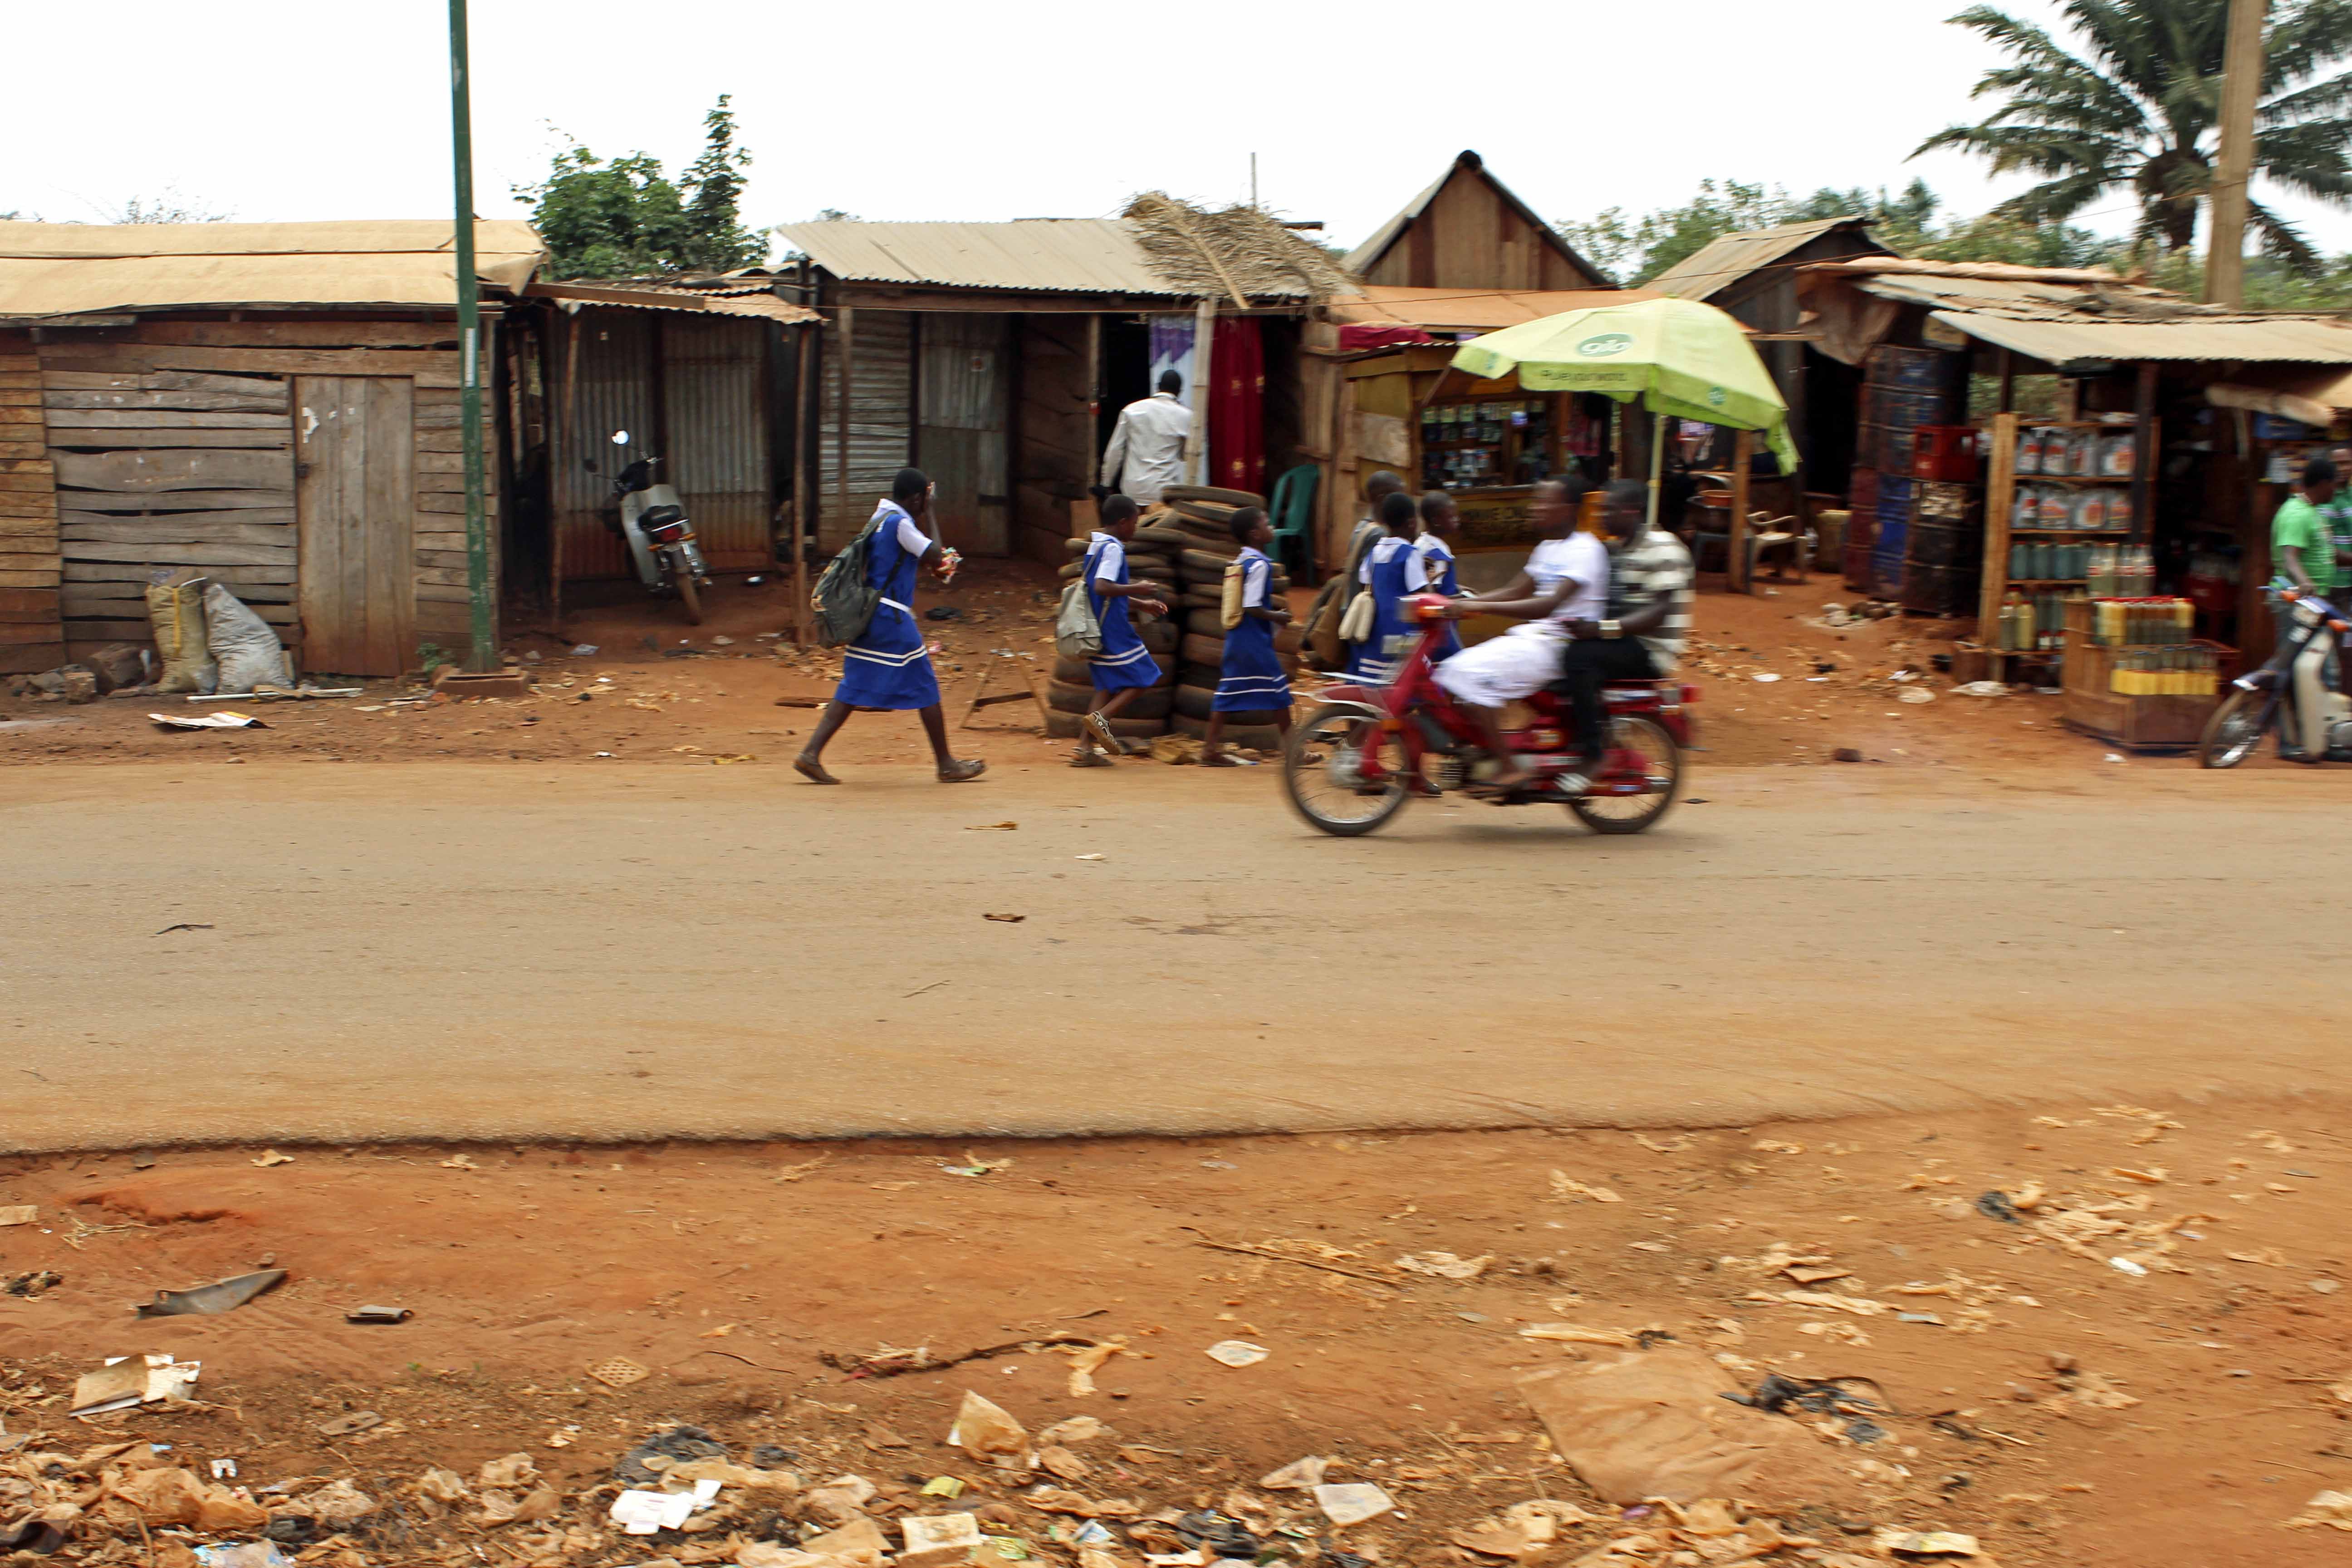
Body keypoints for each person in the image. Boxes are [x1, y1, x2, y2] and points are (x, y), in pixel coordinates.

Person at [795, 468, 986, 785]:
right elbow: (939, 558)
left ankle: (810, 754)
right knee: (926, 685)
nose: (926, 505)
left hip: (870, 615)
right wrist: (934, 512)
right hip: (892, 619)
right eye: (924, 500)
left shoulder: (881, 518)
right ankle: (947, 764)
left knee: (853, 687)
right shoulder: (901, 524)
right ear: (915, 499)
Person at [1431, 476, 1606, 793]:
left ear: (1567, 509)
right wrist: (1465, 602)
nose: (1536, 509)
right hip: (1536, 637)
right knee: (1453, 671)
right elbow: (1516, 589)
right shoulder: (1548, 548)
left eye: (1545, 503)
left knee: (1468, 675)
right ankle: (1483, 752)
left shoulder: (1586, 550)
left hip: (1560, 643)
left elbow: (1548, 604)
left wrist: (1484, 607)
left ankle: (1510, 768)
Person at [1550, 479, 1696, 793]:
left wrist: (1600, 630)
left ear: (1633, 511)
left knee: (1579, 657)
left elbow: (1658, 613)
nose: (1603, 517)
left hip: (1651, 648)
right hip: (1625, 641)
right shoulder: (1619, 547)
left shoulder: (1663, 548)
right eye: (1601, 510)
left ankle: (1594, 754)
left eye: (1610, 510)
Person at [1073, 493, 1171, 766]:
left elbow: (1104, 593)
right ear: (1123, 521)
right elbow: (1103, 587)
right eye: (1135, 523)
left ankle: (1084, 748)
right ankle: (1100, 720)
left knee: (1105, 687)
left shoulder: (1096, 545)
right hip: (1114, 630)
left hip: (1095, 626)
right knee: (1146, 676)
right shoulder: (1114, 548)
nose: (1136, 529)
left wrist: (1141, 603)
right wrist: (1138, 587)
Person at [1201, 507, 1293, 767]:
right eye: (1267, 524)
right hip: (1253, 641)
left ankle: (1209, 750)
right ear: (1255, 534)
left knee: (1228, 692)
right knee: (1279, 692)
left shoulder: (1240, 562)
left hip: (1238, 637)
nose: (1272, 527)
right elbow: (1252, 606)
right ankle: (1295, 751)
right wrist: (1278, 617)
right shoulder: (1261, 565)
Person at [2272, 457, 2342, 760]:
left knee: (2323, 672)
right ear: (2324, 483)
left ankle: (2323, 740)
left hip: (2317, 605)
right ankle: (2290, 742)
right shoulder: (2296, 514)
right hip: (2298, 605)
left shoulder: (2313, 513)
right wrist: (2304, 583)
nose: (2337, 491)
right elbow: (2291, 557)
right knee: (2293, 672)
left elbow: (2326, 552)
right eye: (2335, 484)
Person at [1347, 491, 1425, 684]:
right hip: (1403, 632)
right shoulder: (1409, 553)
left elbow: (1368, 584)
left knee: (1377, 688)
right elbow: (1423, 593)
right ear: (1412, 522)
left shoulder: (1375, 553)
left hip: (1376, 632)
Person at [1098, 370, 1191, 505]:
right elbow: (1185, 456)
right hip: (1164, 493)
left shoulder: (1131, 410)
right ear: (1179, 391)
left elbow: (1116, 450)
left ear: (1158, 387)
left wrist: (1106, 484)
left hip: (1133, 492)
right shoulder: (1186, 416)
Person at [1414, 490, 1465, 662]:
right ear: (1436, 521)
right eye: (1452, 517)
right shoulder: (1438, 553)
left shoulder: (1421, 543)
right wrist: (1461, 598)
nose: (1457, 520)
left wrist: (1458, 588)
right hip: (1442, 626)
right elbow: (1432, 594)